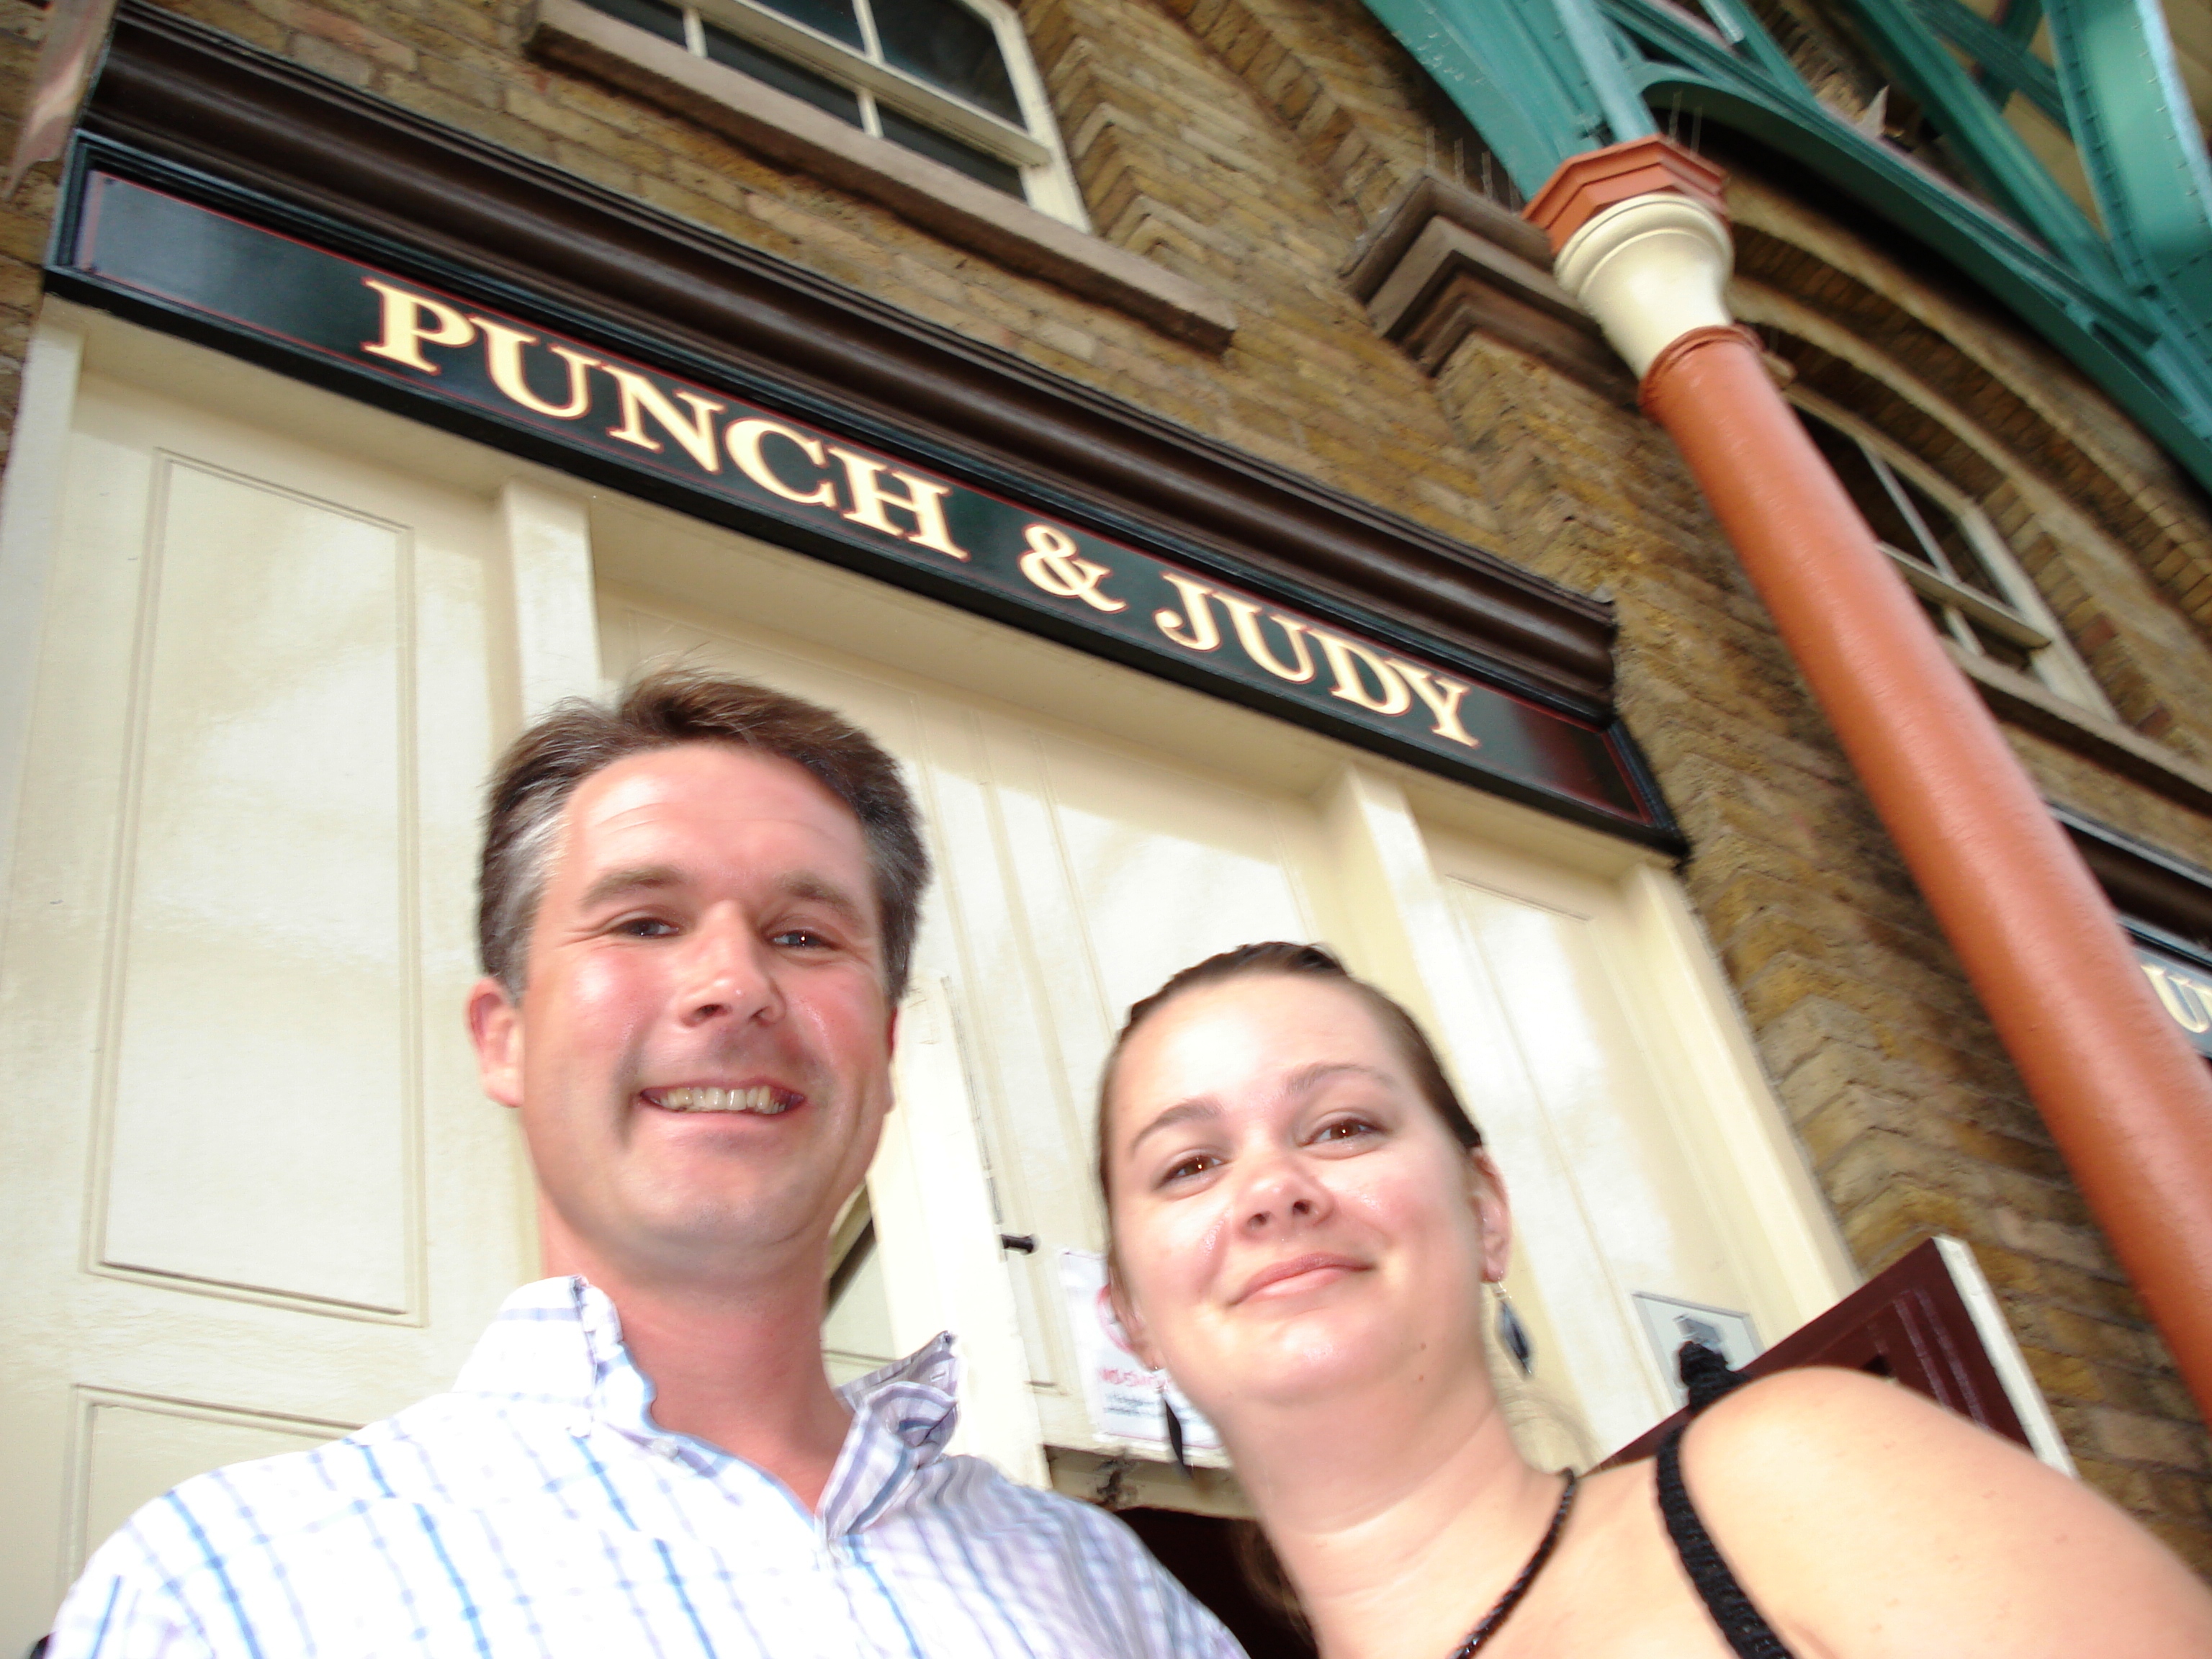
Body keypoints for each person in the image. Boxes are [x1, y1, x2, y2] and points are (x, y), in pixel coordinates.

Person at [47, 667, 1241, 1658]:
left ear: (883, 1052)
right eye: (643, 923)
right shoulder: (219, 1591)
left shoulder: (1117, 1600)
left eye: (803, 936)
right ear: (502, 1037)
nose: (732, 987)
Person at [1095, 941, 2212, 1659]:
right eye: (1187, 1167)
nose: (1273, 1192)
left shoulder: (1790, 1490)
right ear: (1130, 1315)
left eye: (1342, 1127)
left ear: (1486, 1210)